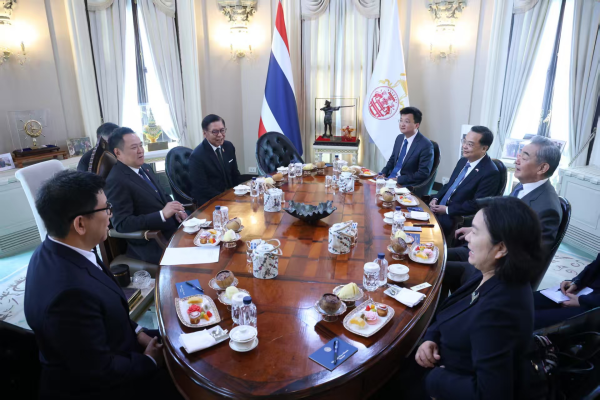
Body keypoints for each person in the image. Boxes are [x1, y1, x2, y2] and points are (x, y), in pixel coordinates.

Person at [24, 170, 181, 399]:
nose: (110, 215)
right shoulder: (68, 295)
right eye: (106, 208)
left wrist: (138, 333)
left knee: (183, 335)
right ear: (80, 224)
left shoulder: (62, 248)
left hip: (117, 344)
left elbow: (108, 314)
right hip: (103, 386)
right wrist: (149, 360)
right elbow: (99, 371)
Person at [416, 197, 543, 400]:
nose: (467, 237)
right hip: (438, 359)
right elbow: (454, 309)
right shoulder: (491, 271)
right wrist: (431, 337)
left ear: (501, 248)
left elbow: (491, 394)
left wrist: (435, 379)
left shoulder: (499, 311)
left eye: (475, 232)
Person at [443, 136, 563, 295]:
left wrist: (484, 239)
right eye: (519, 154)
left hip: (493, 271)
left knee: (437, 267)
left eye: (524, 157)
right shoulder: (524, 187)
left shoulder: (547, 208)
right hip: (482, 252)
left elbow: (529, 259)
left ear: (542, 168)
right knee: (437, 254)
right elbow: (505, 216)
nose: (516, 160)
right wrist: (477, 230)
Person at [105, 127, 187, 264]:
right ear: (118, 152)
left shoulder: (145, 168)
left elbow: (164, 196)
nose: (140, 151)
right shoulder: (116, 180)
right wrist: (162, 215)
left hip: (172, 230)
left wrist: (176, 211)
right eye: (134, 147)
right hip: (153, 242)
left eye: (140, 145)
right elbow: (122, 224)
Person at [430, 126, 500, 236]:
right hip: (438, 208)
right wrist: (436, 198)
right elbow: (450, 185)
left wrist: (447, 210)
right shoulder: (463, 161)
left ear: (484, 148)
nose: (464, 146)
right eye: (464, 141)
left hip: (454, 217)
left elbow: (476, 204)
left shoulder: (490, 172)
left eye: (470, 144)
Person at [534, 253, 600, 329]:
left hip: (594, 306)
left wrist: (583, 301)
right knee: (526, 302)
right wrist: (576, 282)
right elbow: (595, 265)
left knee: (532, 318)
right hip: (584, 291)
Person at [189, 114, 242, 206]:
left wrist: (242, 191)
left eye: (222, 130)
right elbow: (202, 188)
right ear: (205, 133)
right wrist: (227, 198)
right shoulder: (197, 156)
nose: (220, 135)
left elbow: (235, 174)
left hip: (231, 197)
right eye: (215, 132)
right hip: (211, 201)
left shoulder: (229, 146)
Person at [380, 107, 434, 187]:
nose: (402, 124)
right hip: (390, 179)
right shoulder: (399, 138)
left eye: (406, 121)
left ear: (416, 125)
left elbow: (423, 174)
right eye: (401, 120)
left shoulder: (426, 145)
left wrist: (398, 179)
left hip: (405, 184)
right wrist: (383, 173)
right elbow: (392, 160)